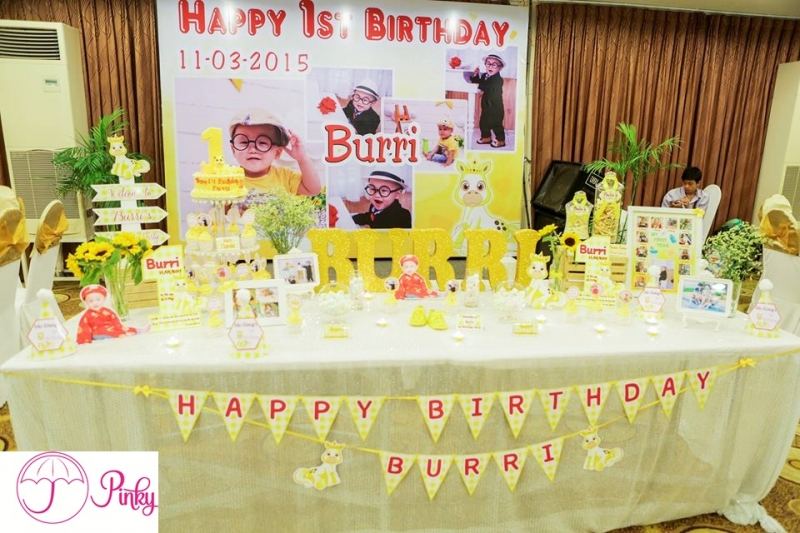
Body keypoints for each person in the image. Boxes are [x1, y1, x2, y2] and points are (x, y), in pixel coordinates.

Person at [229, 109, 321, 203]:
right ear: (233, 149)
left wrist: (302, 159)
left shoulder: (284, 177)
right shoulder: (227, 179)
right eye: (244, 142)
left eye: (262, 142)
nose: (252, 149)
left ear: (277, 153)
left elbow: (313, 190)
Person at [469, 54, 506, 148]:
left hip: (495, 107)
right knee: (483, 122)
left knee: (496, 124)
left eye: (494, 65)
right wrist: (476, 75)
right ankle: (486, 137)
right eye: (488, 63)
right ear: (485, 65)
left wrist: (481, 88)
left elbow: (487, 86)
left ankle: (501, 140)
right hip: (486, 105)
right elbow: (477, 81)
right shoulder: (485, 75)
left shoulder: (498, 80)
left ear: (500, 68)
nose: (490, 66)